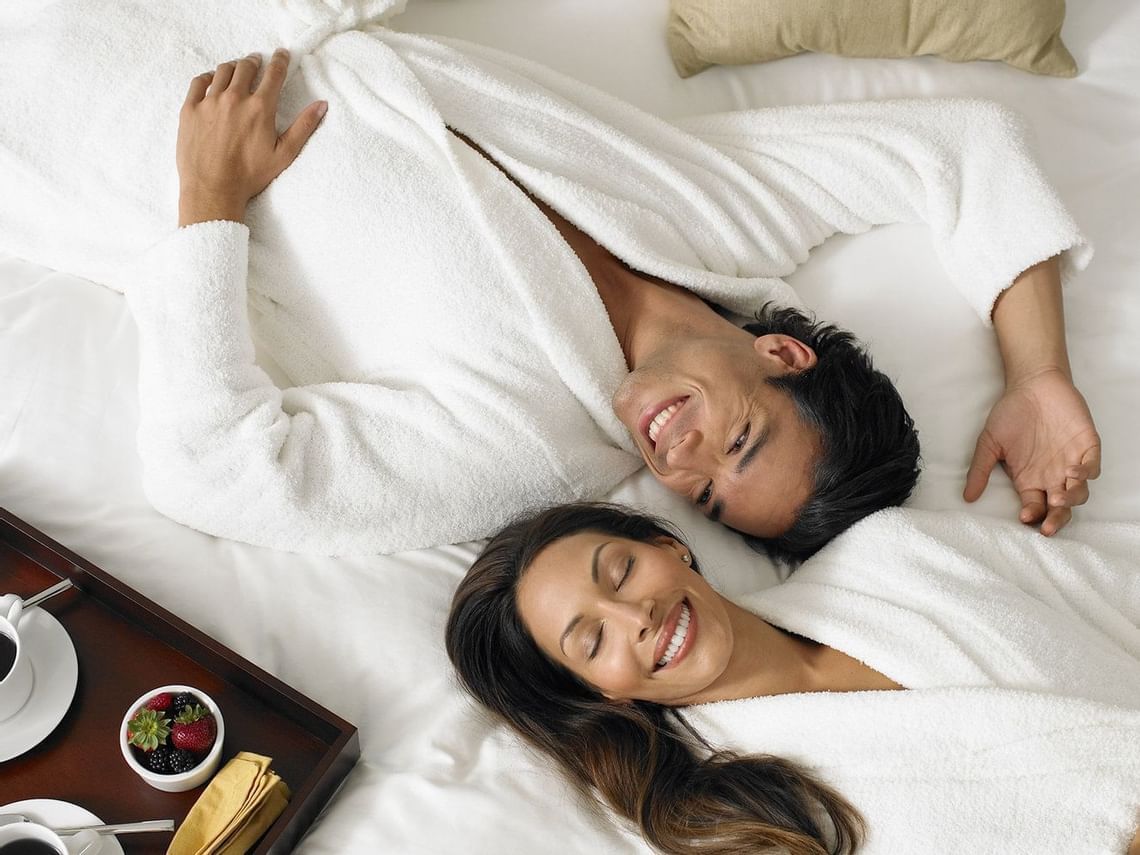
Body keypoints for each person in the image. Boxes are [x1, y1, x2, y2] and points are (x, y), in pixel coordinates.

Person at [138, 42, 1100, 558]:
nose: (679, 464)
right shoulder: (719, 213)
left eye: (708, 500)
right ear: (783, 355)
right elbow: (966, 142)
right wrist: (1039, 375)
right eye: (740, 442)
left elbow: (214, 472)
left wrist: (206, 206)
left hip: (137, 121)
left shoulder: (529, 447)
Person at [445, 502, 1140, 855]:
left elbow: (1118, 593)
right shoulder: (726, 823)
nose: (636, 616)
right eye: (593, 639)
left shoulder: (896, 551)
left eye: (621, 571)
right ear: (603, 691)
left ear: (670, 545)